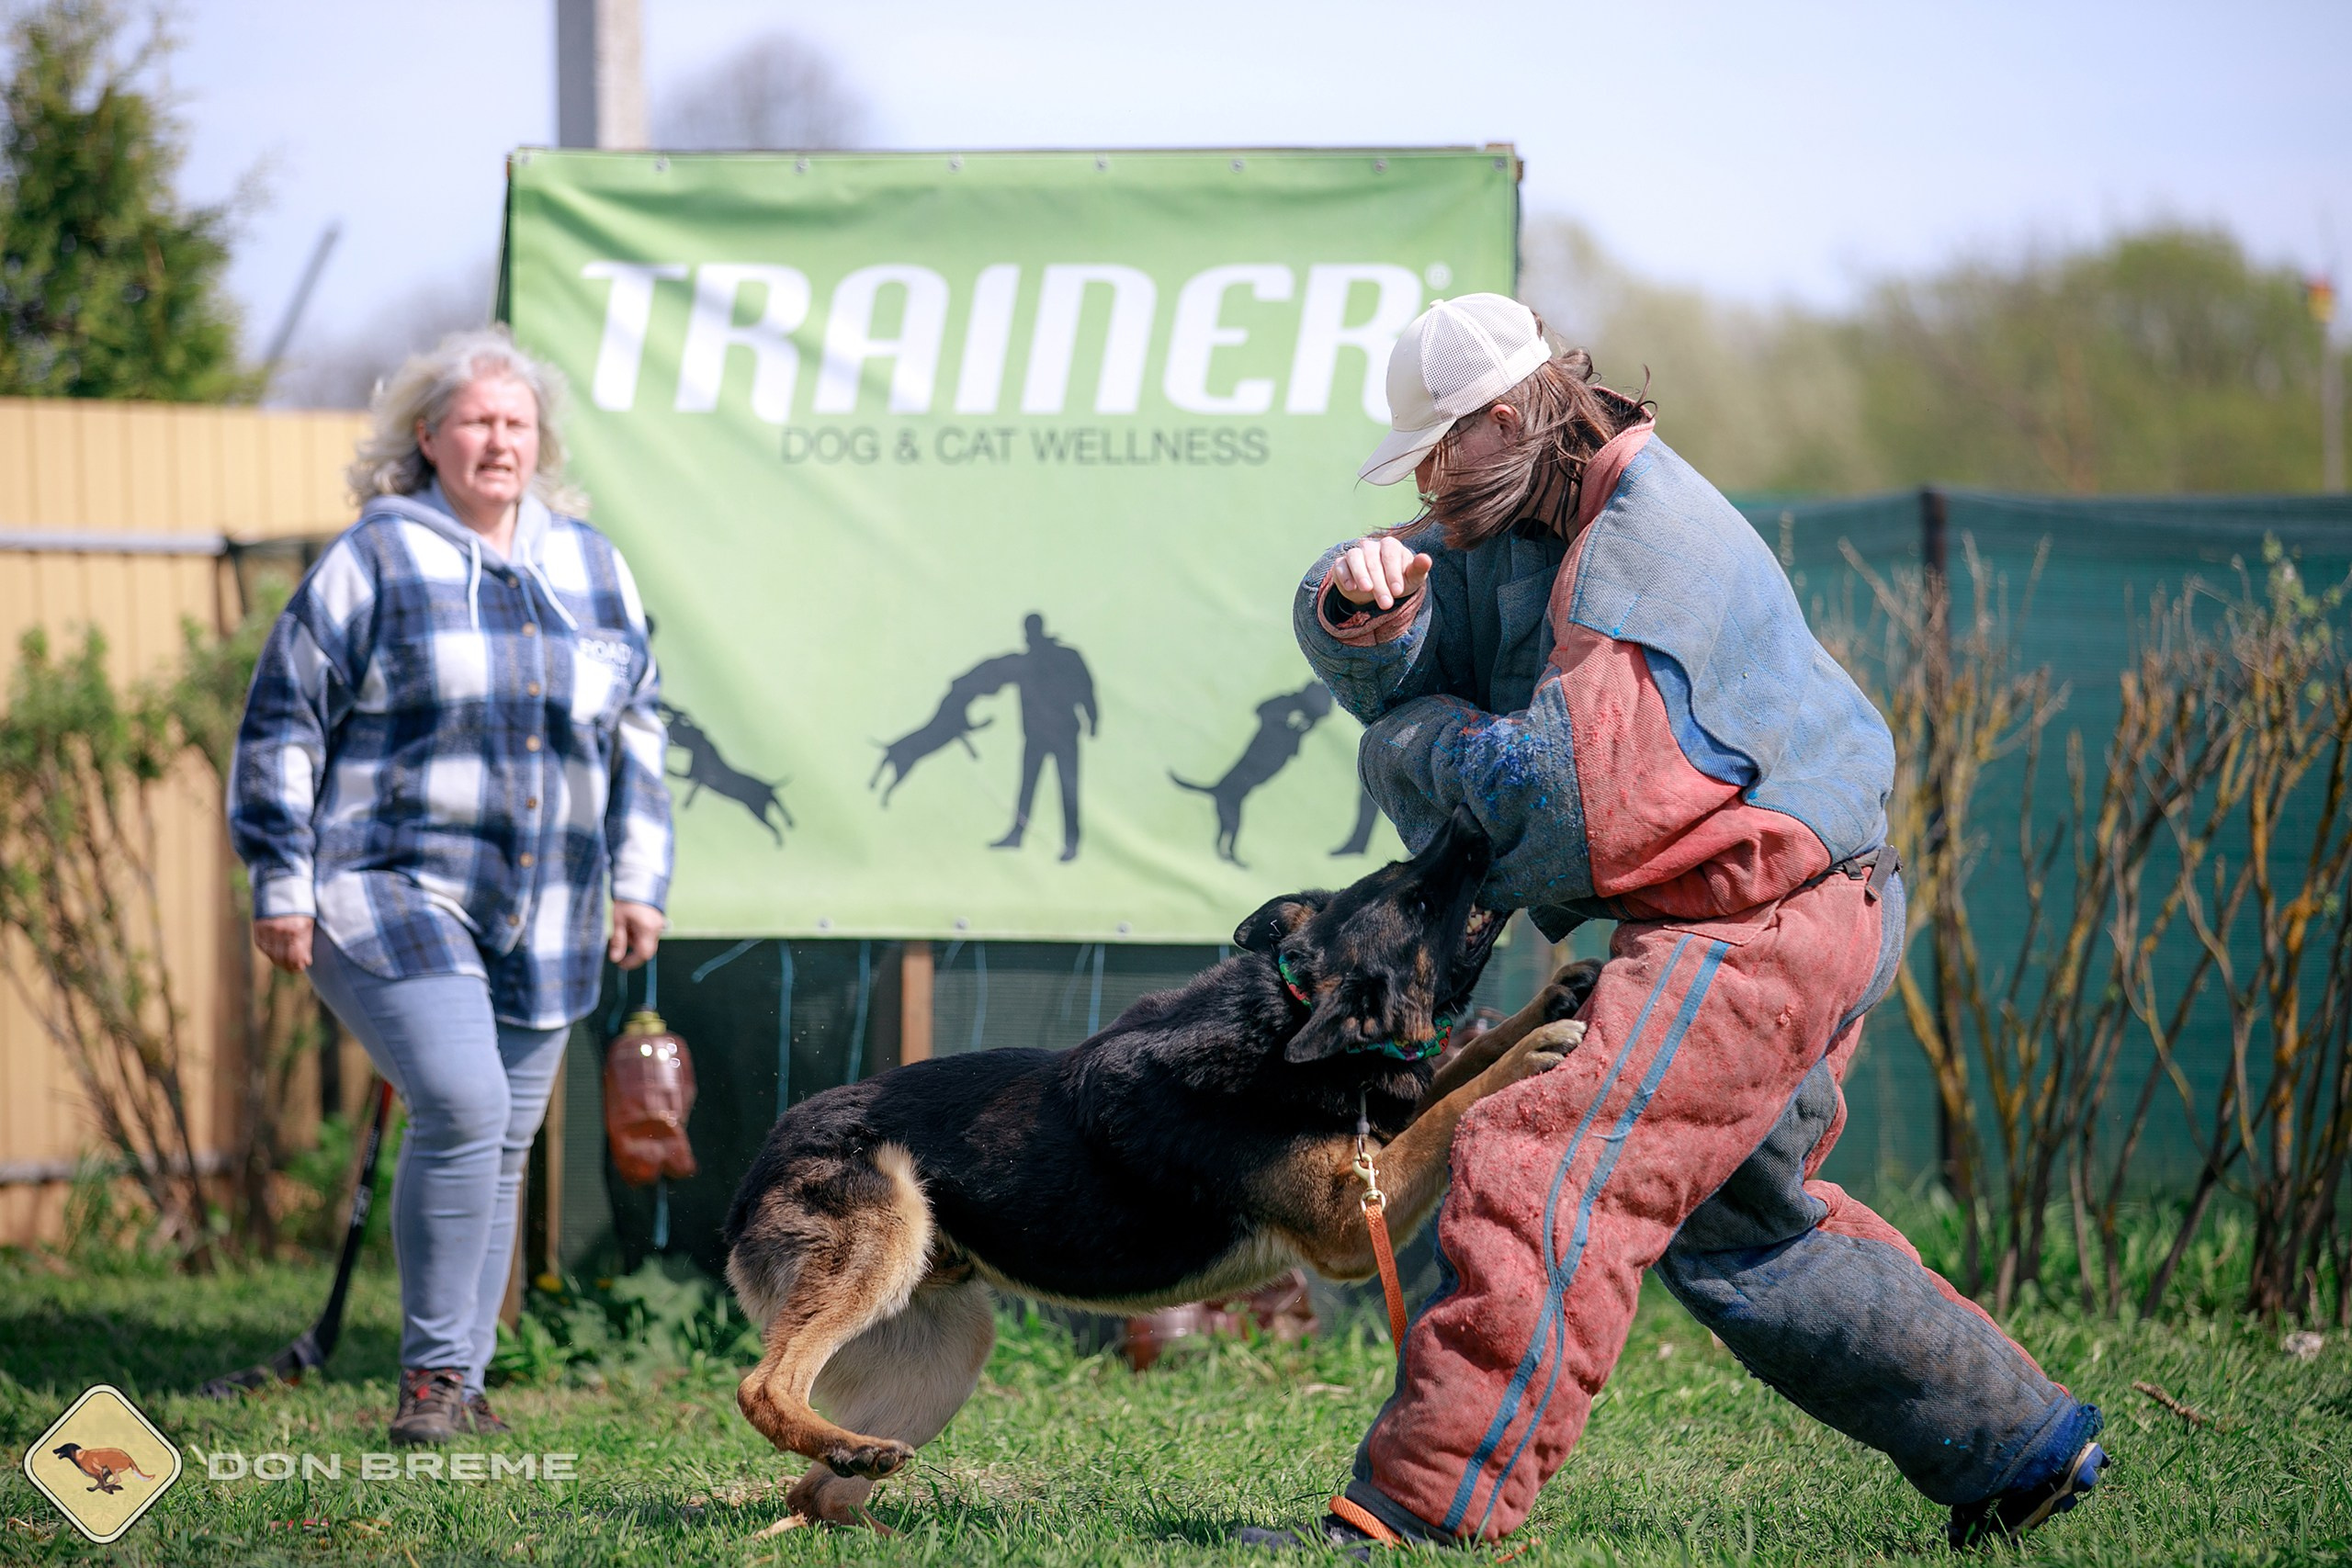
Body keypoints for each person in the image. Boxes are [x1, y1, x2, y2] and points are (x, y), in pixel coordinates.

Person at [1242, 296, 2107, 1554]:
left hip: (1756, 924)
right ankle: (2021, 1446)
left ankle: (1416, 1512)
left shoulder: (1648, 550)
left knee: (1544, 1167)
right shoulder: (1535, 501)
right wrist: (1363, 607)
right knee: (1745, 1226)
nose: (1427, 487)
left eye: (1438, 450)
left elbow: (1562, 808)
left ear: (1504, 420)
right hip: (1798, 900)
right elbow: (1429, 594)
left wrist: (1400, 737)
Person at [231, 327, 672, 1447]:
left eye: (517, 423)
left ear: (540, 442)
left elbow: (638, 730)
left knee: (502, 1138)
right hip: (388, 887)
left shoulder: (592, 566)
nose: (499, 440)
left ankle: (461, 1386)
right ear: (427, 437)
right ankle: (431, 1375)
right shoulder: (377, 556)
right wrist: (280, 876)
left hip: (553, 903)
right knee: (466, 1105)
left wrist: (639, 879)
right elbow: (284, 717)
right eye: (476, 421)